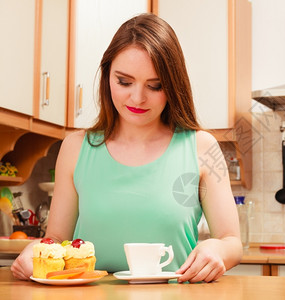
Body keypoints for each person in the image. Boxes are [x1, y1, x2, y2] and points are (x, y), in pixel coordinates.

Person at [11, 13, 242, 283]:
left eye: (155, 86)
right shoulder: (75, 148)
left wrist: (217, 250)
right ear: (107, 76)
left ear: (173, 86)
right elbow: (57, 239)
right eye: (124, 81)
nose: (137, 98)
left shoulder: (203, 147)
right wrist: (34, 251)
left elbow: (232, 242)